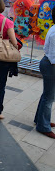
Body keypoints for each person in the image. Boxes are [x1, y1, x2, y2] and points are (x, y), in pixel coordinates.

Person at [34, 7, 55, 139]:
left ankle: (41, 119)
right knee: (49, 97)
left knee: (47, 94)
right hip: (50, 65)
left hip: (48, 63)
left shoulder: (53, 28)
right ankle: (43, 126)